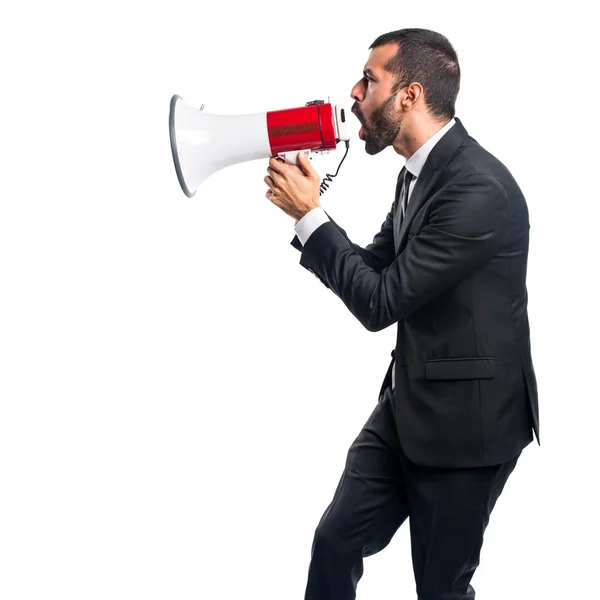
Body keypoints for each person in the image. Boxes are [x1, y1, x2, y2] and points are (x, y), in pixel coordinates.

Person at [263, 27, 539, 600]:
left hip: (470, 430)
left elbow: (380, 303)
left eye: (370, 79)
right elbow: (373, 267)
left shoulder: (477, 190)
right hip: (407, 407)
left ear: (409, 96)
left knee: (440, 588)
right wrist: (312, 213)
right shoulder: (416, 175)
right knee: (335, 542)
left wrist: (312, 219)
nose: (354, 92)